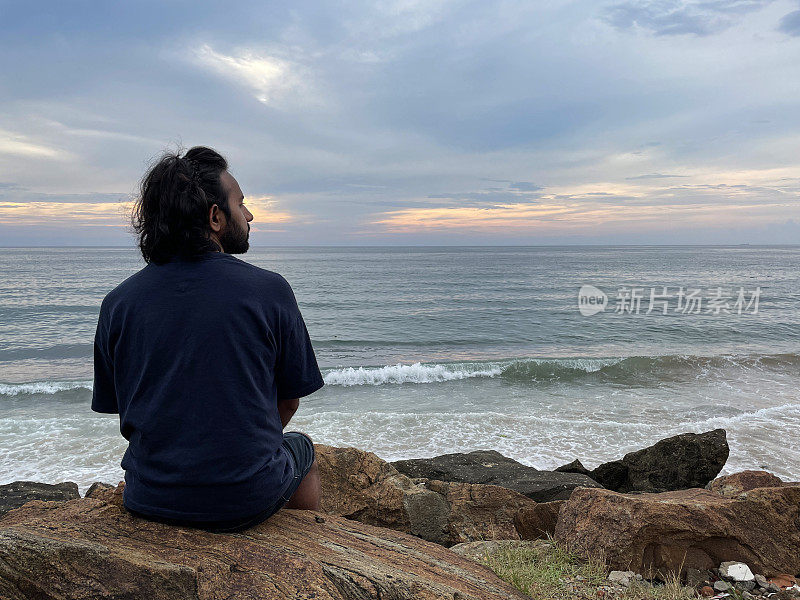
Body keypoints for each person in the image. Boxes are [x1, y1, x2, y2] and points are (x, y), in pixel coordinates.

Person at [91, 146, 324, 533]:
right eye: (241, 204)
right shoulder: (268, 290)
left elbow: (126, 409)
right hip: (246, 497)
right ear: (215, 217)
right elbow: (288, 401)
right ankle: (307, 545)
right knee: (303, 449)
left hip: (148, 496)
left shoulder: (118, 302)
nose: (249, 215)